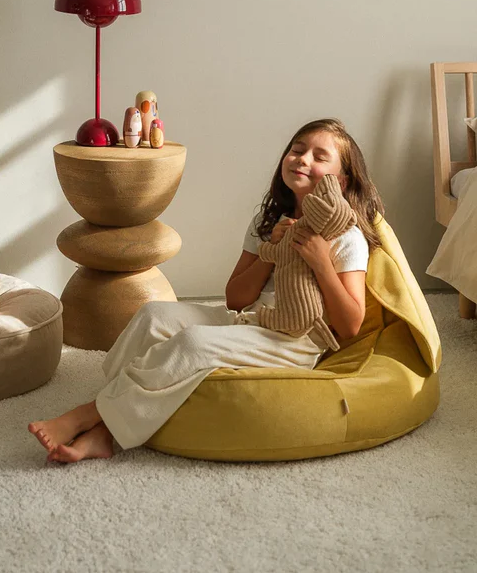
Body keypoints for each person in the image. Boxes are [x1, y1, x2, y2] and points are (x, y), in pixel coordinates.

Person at [28, 118, 383, 462]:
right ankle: (110, 418)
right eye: (297, 149)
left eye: (320, 157)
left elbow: (350, 325)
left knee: (192, 344)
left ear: (342, 180)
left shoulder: (346, 237)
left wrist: (321, 263)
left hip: (295, 339)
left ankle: (92, 418)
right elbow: (235, 299)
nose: (302, 159)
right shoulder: (267, 222)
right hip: (250, 319)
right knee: (153, 316)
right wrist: (271, 252)